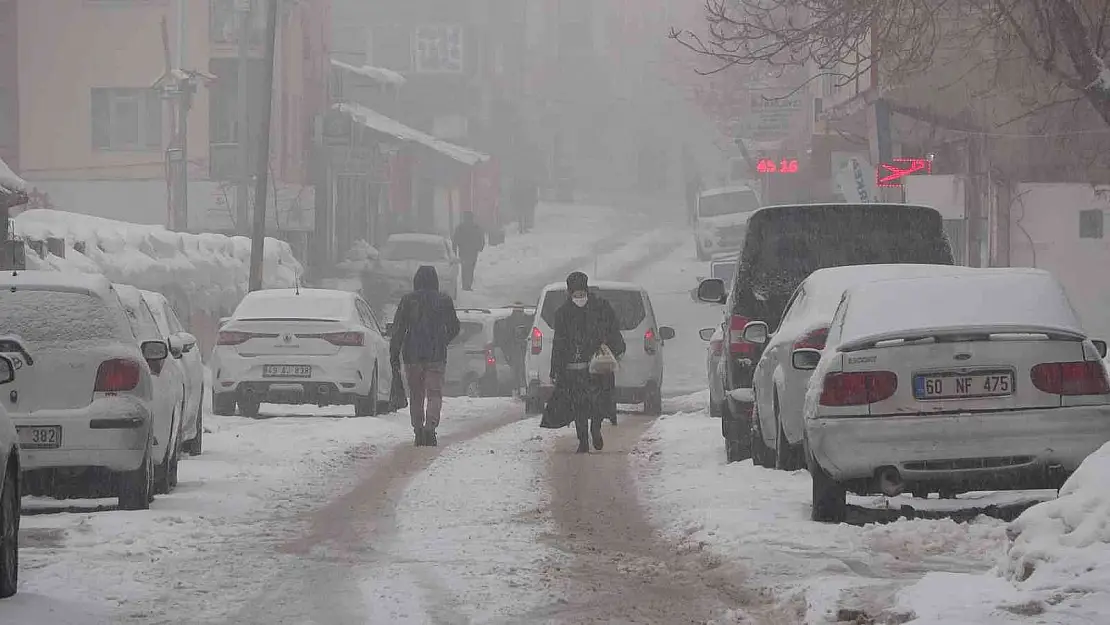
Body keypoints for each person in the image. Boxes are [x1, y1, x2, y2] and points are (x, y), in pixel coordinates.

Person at [548, 272, 626, 453]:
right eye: (576, 295)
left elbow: (613, 328)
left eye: (582, 294)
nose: (579, 298)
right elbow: (558, 342)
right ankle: (583, 440)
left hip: (598, 366)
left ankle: (595, 428)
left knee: (599, 403)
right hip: (574, 368)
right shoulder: (563, 314)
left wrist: (614, 348)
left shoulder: (601, 308)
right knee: (578, 406)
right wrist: (556, 369)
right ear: (569, 294)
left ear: (587, 291)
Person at [390, 265, 461, 447]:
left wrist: (394, 354)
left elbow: (398, 330)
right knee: (434, 393)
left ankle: (418, 429)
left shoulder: (407, 300)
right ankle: (430, 427)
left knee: (416, 393)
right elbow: (455, 327)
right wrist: (442, 340)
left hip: (412, 355)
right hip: (436, 355)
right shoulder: (444, 300)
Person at [452, 211, 486, 291]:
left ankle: (465, 285)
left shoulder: (460, 227)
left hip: (463, 251)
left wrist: (455, 251)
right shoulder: (476, 227)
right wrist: (480, 247)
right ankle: (468, 284)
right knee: (470, 268)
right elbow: (481, 238)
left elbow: (455, 240)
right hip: (472, 252)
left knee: (464, 268)